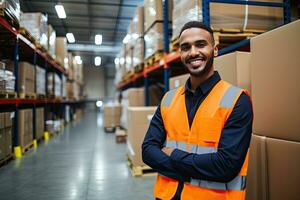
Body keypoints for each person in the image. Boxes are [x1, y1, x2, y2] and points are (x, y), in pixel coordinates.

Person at [142, 21, 253, 200]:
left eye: (200, 44)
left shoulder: (237, 100)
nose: (193, 52)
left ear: (215, 49)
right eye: (186, 47)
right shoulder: (168, 99)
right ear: (180, 54)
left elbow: (225, 166)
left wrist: (174, 155)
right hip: (166, 196)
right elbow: (148, 151)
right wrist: (193, 169)